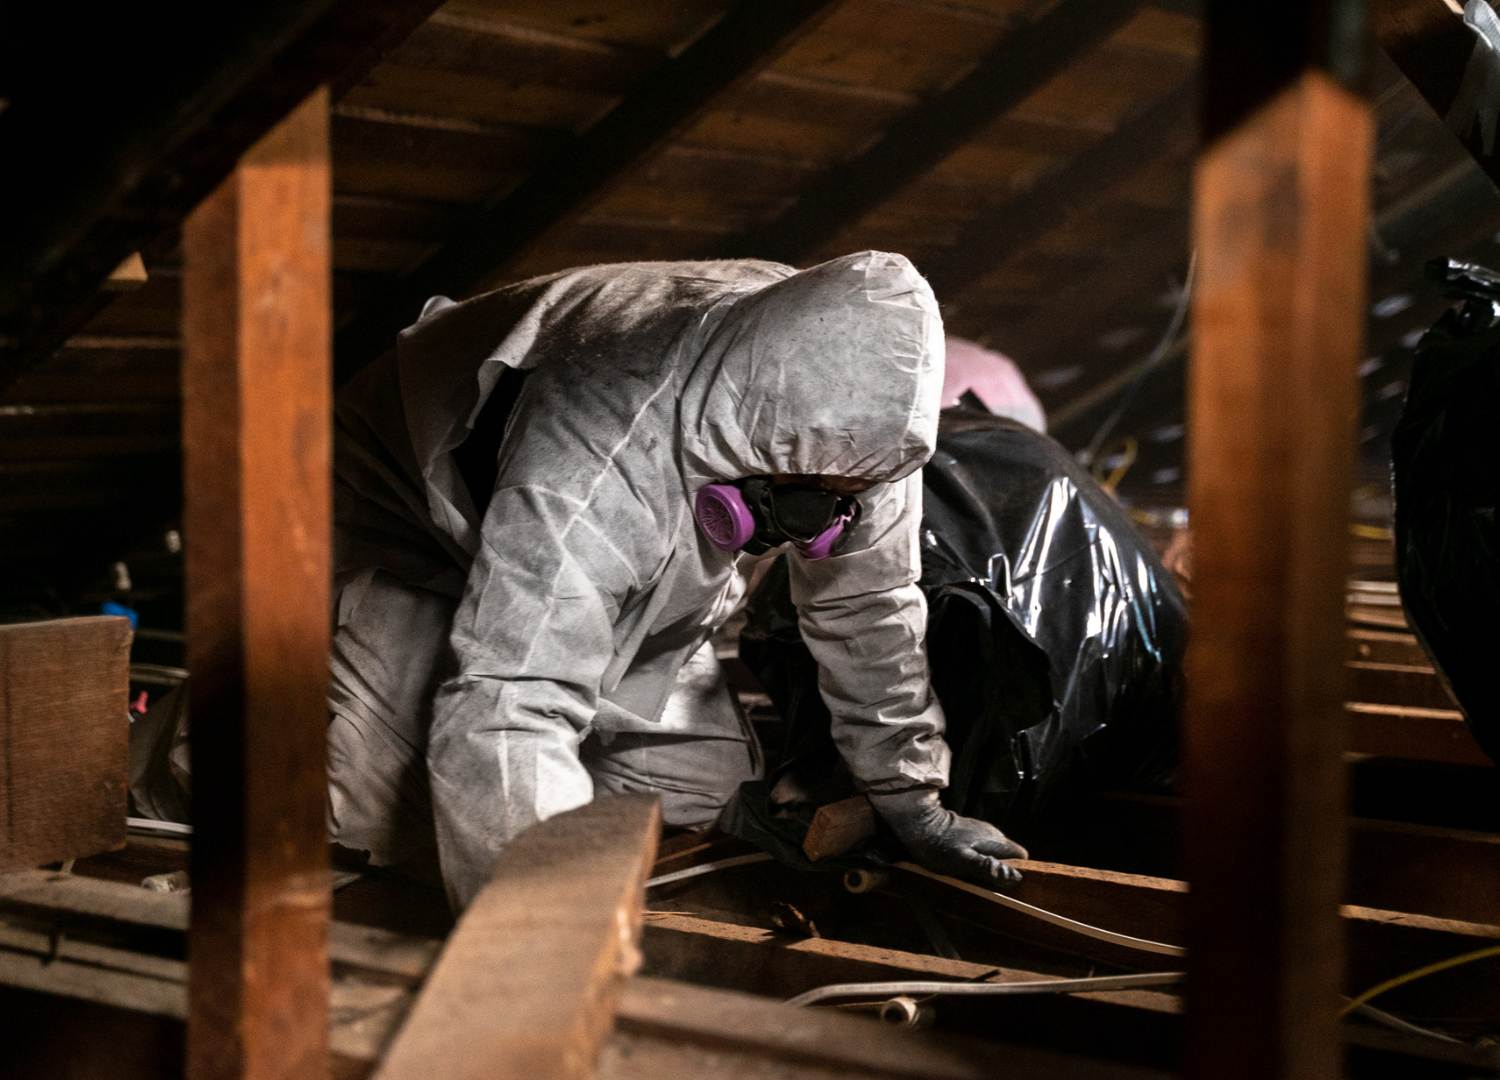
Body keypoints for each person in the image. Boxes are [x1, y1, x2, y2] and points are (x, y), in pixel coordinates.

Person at [327, 251, 1027, 908]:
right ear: (750, 440)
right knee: (390, 809)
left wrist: (915, 803)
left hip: (627, 505)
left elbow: (869, 611)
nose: (822, 517)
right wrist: (547, 939)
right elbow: (516, 695)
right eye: (801, 490)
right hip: (407, 509)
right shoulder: (601, 440)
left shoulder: (867, 420)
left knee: (700, 793)